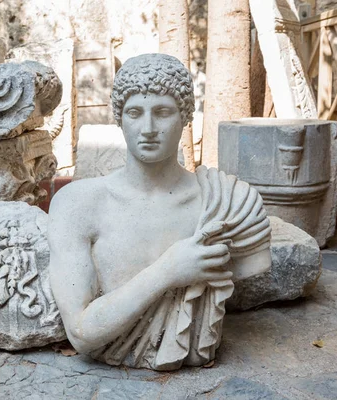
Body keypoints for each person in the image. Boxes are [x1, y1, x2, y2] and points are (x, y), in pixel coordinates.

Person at [48, 53, 271, 371]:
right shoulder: (78, 205)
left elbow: (254, 263)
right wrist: (168, 271)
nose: (148, 128)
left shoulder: (229, 204)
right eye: (135, 112)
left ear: (185, 116)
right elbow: (82, 333)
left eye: (163, 112)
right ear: (119, 118)